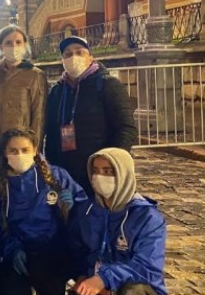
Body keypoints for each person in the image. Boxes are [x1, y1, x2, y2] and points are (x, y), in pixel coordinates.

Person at [53, 147, 167, 295]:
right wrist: (81, 275)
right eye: (95, 171)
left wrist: (104, 278)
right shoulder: (87, 211)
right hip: (102, 294)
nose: (100, 177)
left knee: (134, 294)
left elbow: (146, 266)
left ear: (123, 174)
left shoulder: (147, 218)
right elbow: (77, 249)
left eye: (108, 171)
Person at [0, 128, 88, 295]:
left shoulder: (56, 176)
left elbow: (84, 208)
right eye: (13, 150)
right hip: (21, 248)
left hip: (53, 248)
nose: (19, 155)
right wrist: (13, 249)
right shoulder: (0, 184)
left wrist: (72, 207)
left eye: (25, 149)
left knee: (50, 282)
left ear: (35, 150)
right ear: (5, 153)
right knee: (9, 291)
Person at [45, 37, 137, 194]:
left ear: (90, 58)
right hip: (65, 173)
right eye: (68, 54)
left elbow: (126, 128)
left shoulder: (108, 85)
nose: (73, 57)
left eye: (79, 52)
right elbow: (51, 132)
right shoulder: (57, 91)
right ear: (62, 60)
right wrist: (52, 168)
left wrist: (111, 163)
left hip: (98, 169)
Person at [0, 25, 47, 144]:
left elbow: (39, 115)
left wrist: (35, 146)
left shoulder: (35, 75)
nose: (14, 46)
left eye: (18, 42)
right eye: (8, 43)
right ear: (0, 46)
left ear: (24, 45)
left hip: (21, 143)